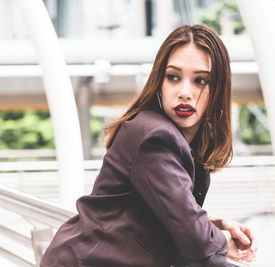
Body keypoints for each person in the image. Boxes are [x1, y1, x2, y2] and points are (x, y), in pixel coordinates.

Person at [41, 24, 257, 267]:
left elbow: (163, 216)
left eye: (200, 81)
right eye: (173, 77)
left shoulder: (178, 140)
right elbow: (194, 240)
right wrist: (222, 241)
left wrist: (216, 226)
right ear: (160, 81)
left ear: (218, 89)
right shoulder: (153, 137)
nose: (185, 92)